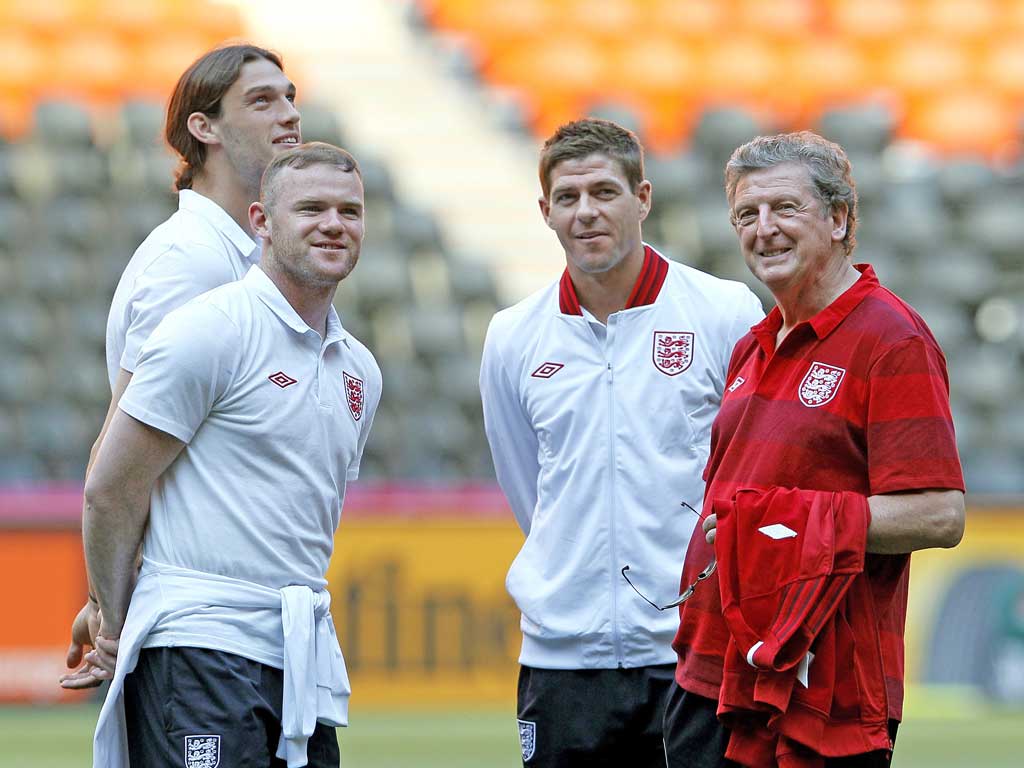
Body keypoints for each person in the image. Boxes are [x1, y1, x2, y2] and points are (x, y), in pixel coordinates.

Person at [664, 132, 965, 768]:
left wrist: (786, 524)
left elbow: (939, 515)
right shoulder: (752, 344)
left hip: (821, 690)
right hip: (714, 672)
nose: (763, 229)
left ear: (838, 218)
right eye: (747, 214)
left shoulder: (893, 339)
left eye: (784, 209)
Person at [83, 141, 380, 768]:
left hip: (296, 654)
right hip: (198, 644)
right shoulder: (211, 329)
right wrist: (113, 622)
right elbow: (111, 488)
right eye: (312, 209)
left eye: (349, 211)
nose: (334, 224)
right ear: (261, 222)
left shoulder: (360, 369)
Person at [479, 118, 764, 767]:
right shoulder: (512, 335)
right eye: (569, 197)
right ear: (545, 210)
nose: (587, 212)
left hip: (693, 647)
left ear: (642, 198)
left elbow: (750, 471)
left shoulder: (723, 311)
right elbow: (527, 485)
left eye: (605, 192)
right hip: (563, 656)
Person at [61, 42, 302, 689]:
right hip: (198, 629)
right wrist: (110, 614)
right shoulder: (191, 262)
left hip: (229, 622)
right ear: (204, 128)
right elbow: (120, 451)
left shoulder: (236, 255)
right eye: (261, 100)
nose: (288, 114)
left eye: (289, 98)